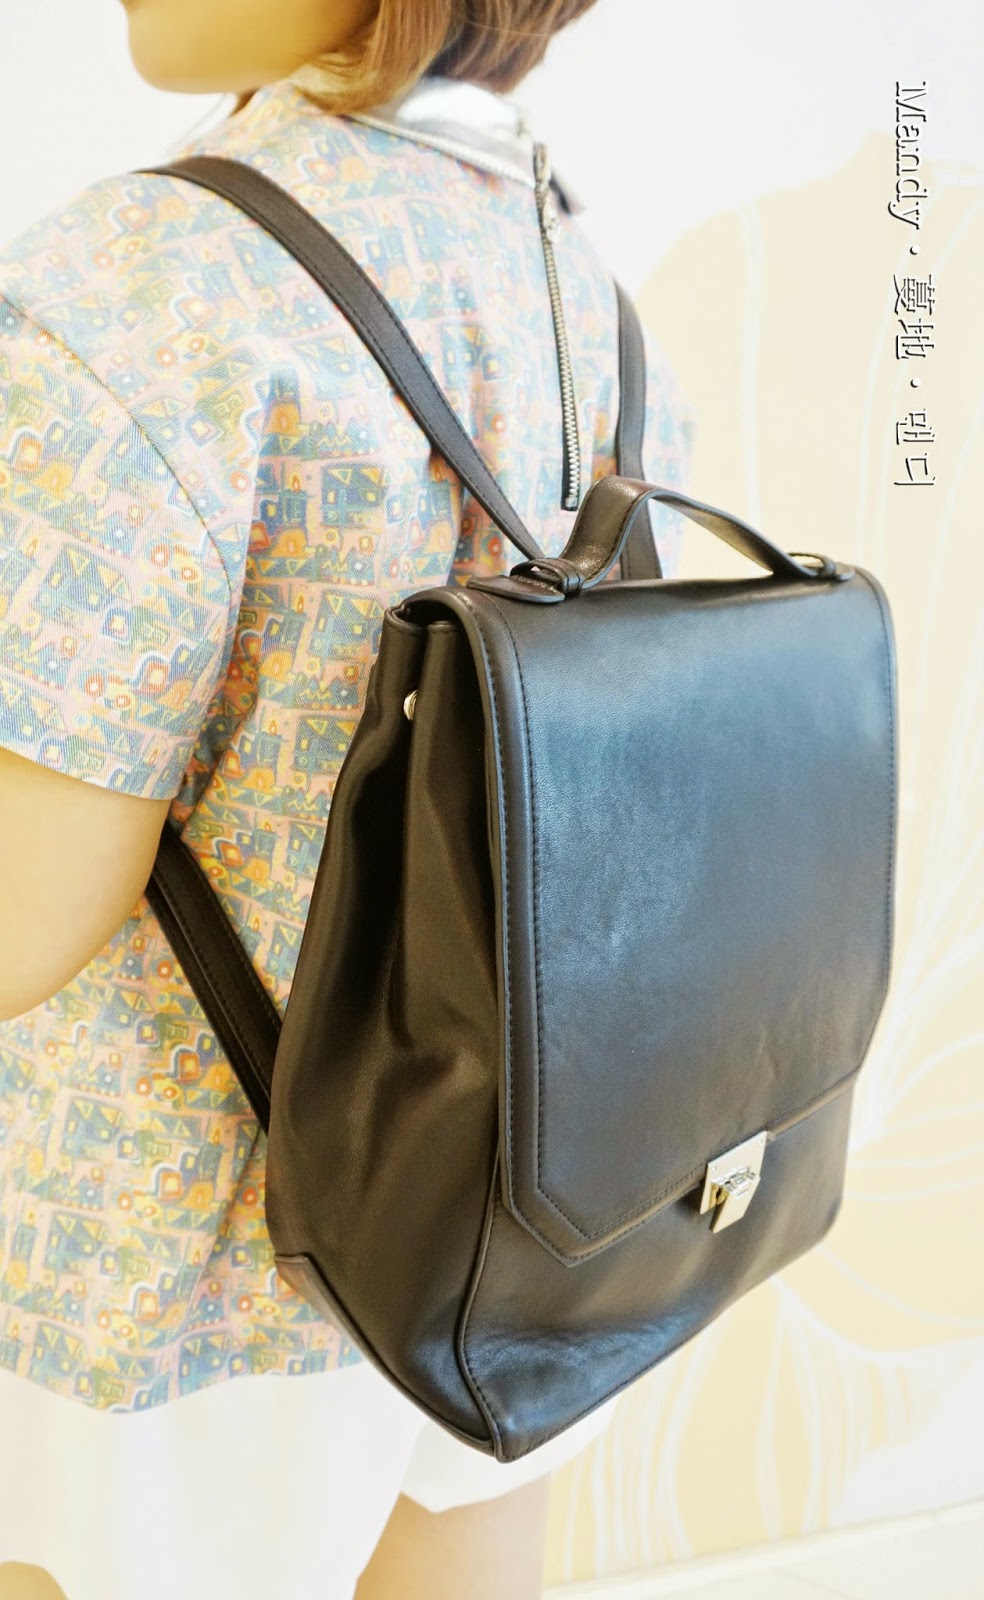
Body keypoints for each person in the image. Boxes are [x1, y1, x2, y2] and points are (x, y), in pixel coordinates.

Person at [0, 2, 695, 1596]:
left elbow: (23, 911)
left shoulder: (142, 286)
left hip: (166, 1281)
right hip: (521, 1217)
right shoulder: (581, 291)